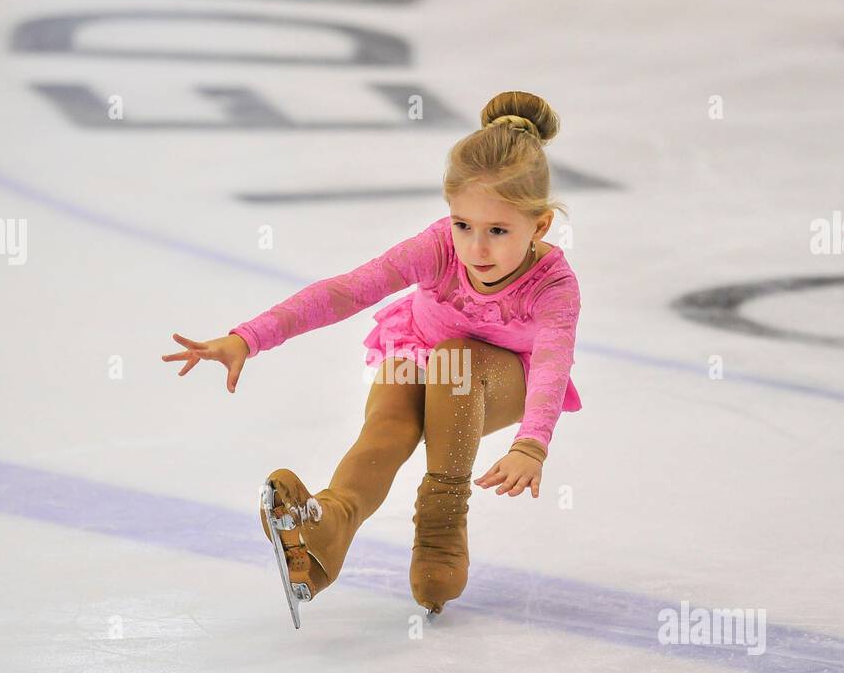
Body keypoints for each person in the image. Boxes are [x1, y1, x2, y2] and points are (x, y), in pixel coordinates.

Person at [161, 90, 582, 616]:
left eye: (499, 231)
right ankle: (327, 524)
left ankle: (441, 521)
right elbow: (348, 290)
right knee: (386, 427)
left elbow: (551, 363)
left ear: (539, 225)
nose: (476, 249)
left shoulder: (554, 285)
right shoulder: (438, 248)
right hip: (419, 347)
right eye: (463, 225)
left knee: (456, 358)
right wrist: (249, 336)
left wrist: (532, 445)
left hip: (501, 378)